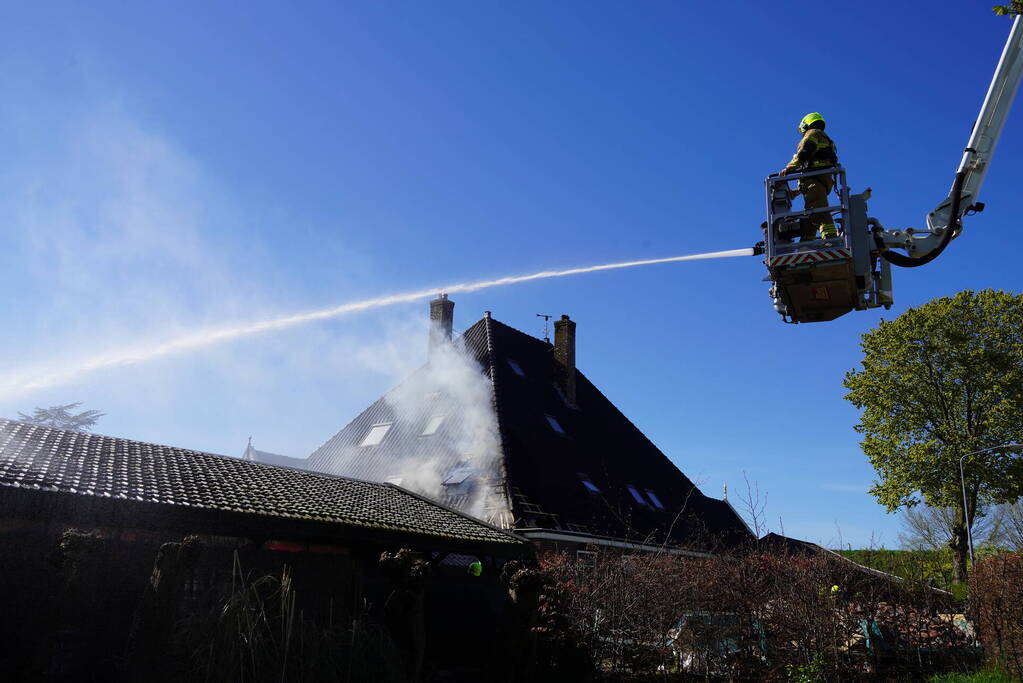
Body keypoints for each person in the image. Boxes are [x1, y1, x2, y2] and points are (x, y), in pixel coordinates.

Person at [779, 112, 839, 240]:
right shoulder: (825, 138)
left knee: (819, 212)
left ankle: (830, 239)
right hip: (820, 180)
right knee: (811, 213)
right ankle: (806, 243)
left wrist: (788, 169)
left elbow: (804, 154)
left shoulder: (812, 134)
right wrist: (799, 191)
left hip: (815, 181)